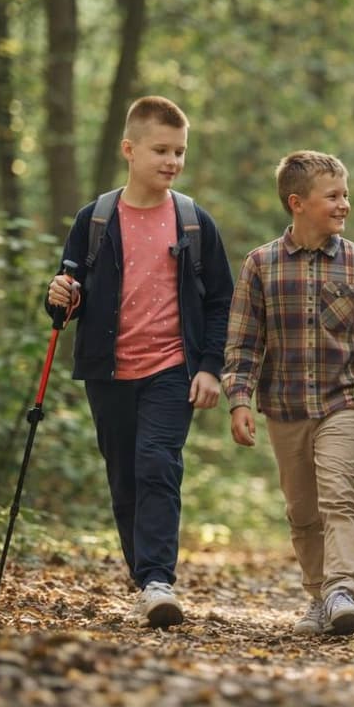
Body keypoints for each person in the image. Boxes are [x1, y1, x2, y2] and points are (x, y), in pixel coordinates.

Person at [45, 96, 233, 627]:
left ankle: (157, 580)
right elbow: (67, 298)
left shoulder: (193, 222)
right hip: (108, 371)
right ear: (130, 150)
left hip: (172, 368)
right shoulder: (96, 219)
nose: (172, 161)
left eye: (179, 151)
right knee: (124, 476)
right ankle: (144, 578)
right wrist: (58, 296)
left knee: (157, 463)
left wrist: (210, 366)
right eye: (161, 150)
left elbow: (221, 300)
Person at [221, 150, 354, 637]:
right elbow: (244, 342)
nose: (344, 204)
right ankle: (319, 596)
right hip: (285, 406)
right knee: (302, 510)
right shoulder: (261, 265)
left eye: (346, 194)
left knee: (339, 494)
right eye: (332, 196)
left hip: (343, 401)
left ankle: (342, 590)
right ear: (297, 203)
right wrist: (239, 400)